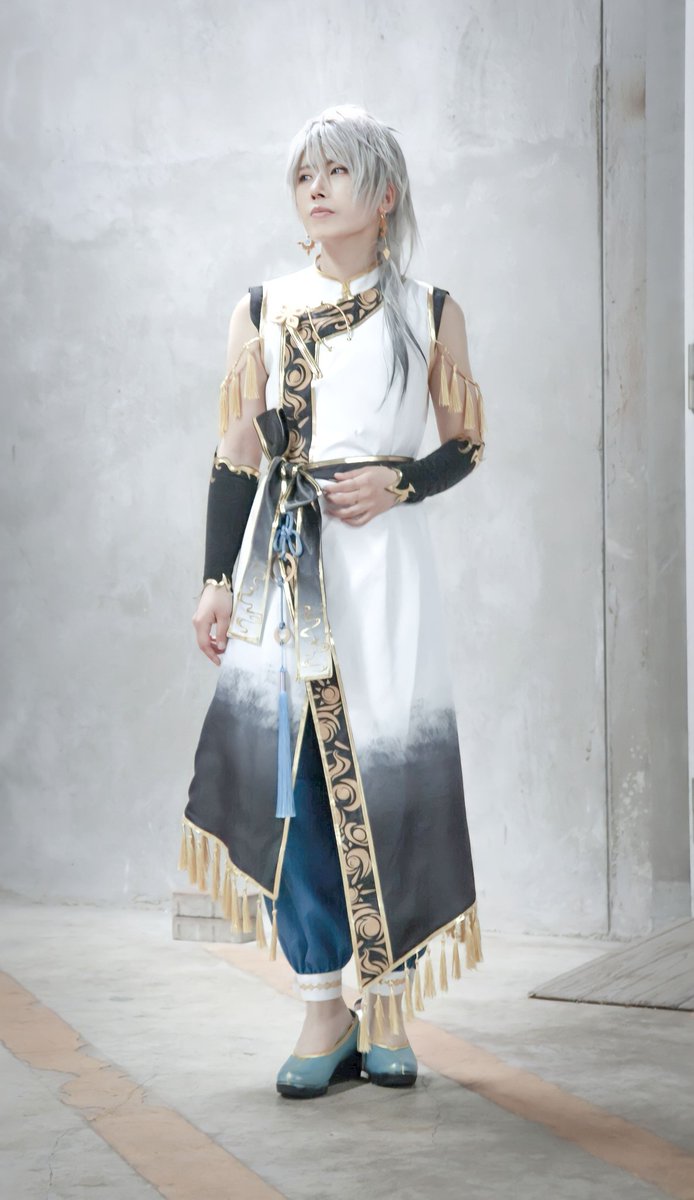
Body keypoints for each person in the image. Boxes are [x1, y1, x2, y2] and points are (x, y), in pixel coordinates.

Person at [177, 104, 486, 1099]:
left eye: (337, 172)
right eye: (304, 174)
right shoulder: (262, 307)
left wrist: (401, 482)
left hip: (386, 567)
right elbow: (238, 454)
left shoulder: (429, 310)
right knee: (295, 777)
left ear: (383, 194)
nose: (315, 189)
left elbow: (465, 443)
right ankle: (322, 1003)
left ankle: (387, 1003)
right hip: (285, 568)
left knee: (392, 771)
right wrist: (216, 579)